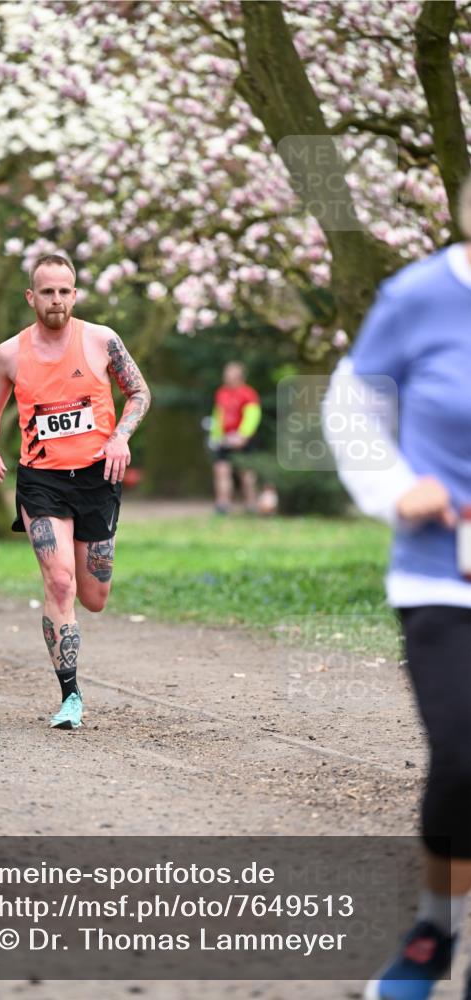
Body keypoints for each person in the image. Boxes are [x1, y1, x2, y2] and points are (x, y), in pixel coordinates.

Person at [323, 175, 471, 1000]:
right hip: (442, 574)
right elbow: (350, 406)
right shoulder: (417, 297)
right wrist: (392, 485)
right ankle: (433, 930)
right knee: (462, 758)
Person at [0, 253, 151, 730]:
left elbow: (139, 393)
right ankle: (70, 697)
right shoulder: (9, 354)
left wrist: (120, 436)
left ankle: (72, 659)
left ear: (75, 294)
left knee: (93, 596)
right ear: (31, 297)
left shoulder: (102, 341)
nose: (56, 300)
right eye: (47, 291)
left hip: (97, 479)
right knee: (59, 582)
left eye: (64, 291)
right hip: (42, 481)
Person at [209, 361, 261, 514]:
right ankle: (222, 505)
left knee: (246, 473)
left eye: (230, 374)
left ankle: (251, 505)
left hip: (243, 440)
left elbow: (253, 416)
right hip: (224, 439)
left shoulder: (248, 394)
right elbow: (218, 415)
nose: (226, 377)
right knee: (221, 471)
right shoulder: (222, 393)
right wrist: (215, 436)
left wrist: (243, 435)